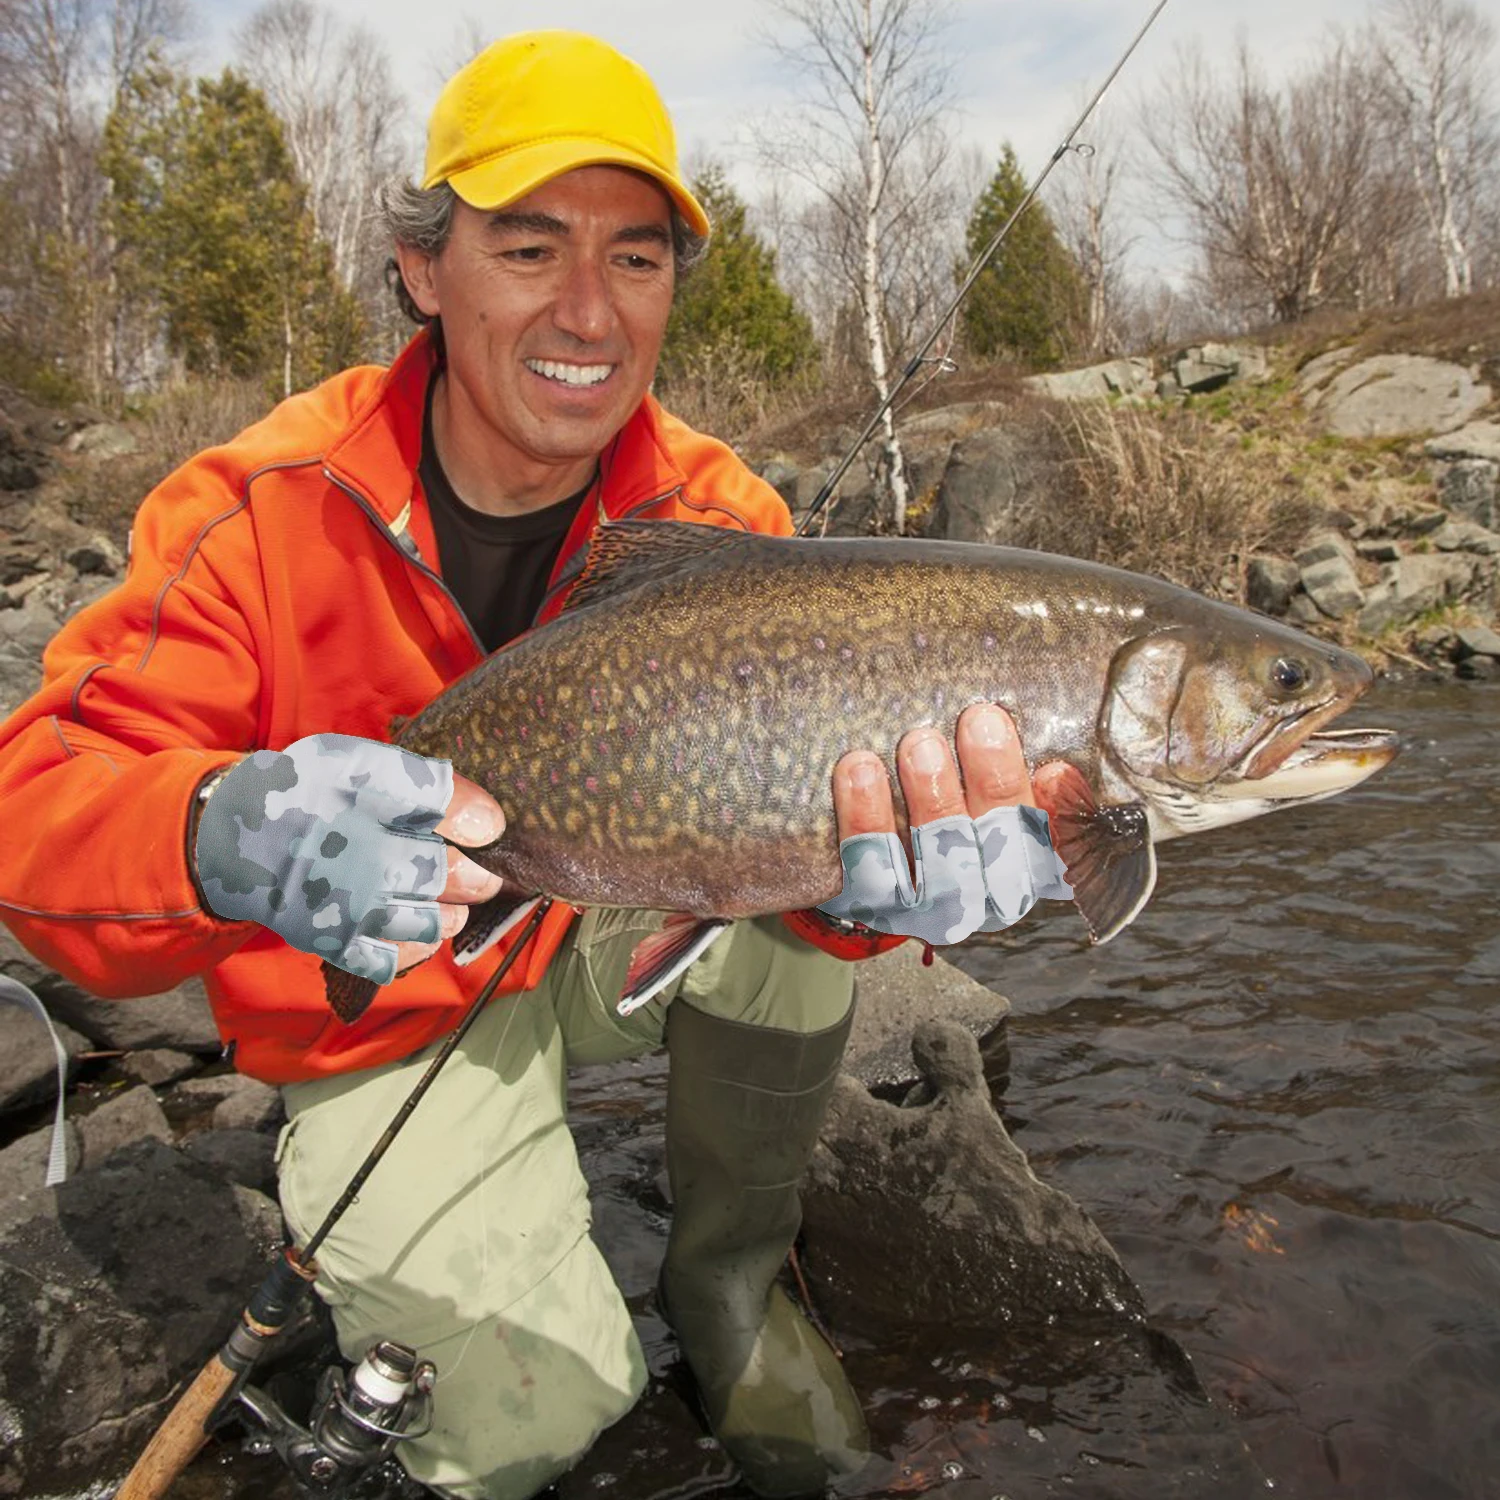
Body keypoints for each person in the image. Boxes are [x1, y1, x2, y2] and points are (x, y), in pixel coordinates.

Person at [0, 31, 1060, 1500]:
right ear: (423, 270)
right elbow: (35, 816)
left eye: (637, 258)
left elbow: (816, 882)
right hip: (382, 1000)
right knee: (528, 1424)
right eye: (529, 246)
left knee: (796, 937)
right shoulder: (255, 511)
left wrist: (870, 899)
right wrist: (216, 828)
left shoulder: (721, 523)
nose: (589, 310)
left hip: (607, 928)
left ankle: (732, 1287)